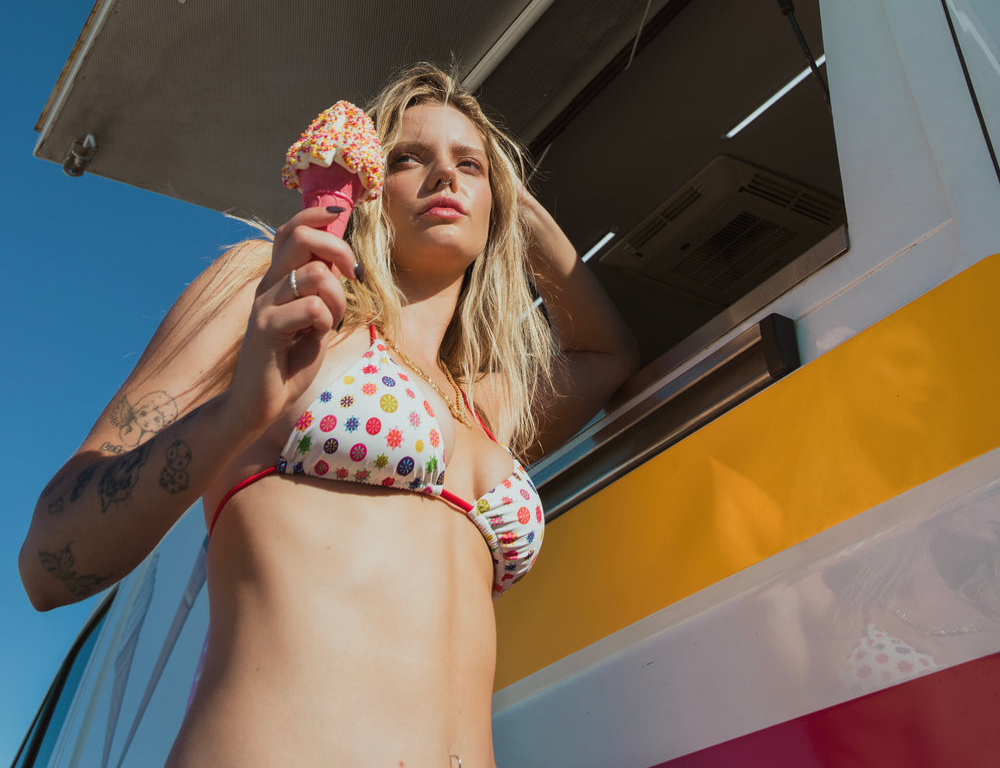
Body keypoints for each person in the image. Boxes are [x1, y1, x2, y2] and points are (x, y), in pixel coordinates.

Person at [20, 64, 639, 767]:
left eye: (469, 164)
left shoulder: (483, 407)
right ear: (369, 183)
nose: (445, 177)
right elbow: (46, 563)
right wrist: (239, 413)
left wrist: (516, 203)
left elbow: (604, 355)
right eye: (409, 158)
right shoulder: (273, 299)